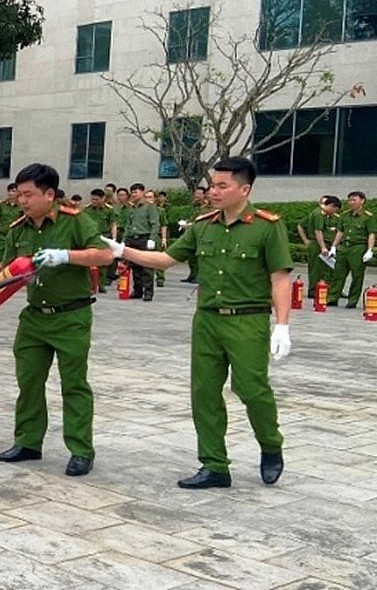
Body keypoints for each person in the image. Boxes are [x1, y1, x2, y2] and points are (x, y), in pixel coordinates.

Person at [101, 156, 292, 489]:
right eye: (212, 185)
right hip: (206, 320)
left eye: (222, 186)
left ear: (244, 189)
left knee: (251, 389)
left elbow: (280, 278)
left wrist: (283, 325)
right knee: (204, 392)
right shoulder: (203, 225)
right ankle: (214, 464)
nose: (213, 192)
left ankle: (271, 444)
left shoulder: (267, 226)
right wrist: (122, 251)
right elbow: (166, 259)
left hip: (247, 321)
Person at [0, 163, 113, 477]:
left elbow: (104, 254)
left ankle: (81, 450)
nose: (23, 201)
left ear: (49, 194)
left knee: (74, 386)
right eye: (19, 195)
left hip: (71, 316)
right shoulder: (18, 228)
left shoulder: (75, 221)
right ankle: (28, 442)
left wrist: (66, 255)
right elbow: (5, 272)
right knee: (28, 382)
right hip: (34, 320)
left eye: (29, 195)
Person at [327, 191, 376, 308]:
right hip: (344, 247)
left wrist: (370, 250)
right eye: (350, 200)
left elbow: (371, 234)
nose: (351, 202)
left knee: (357, 275)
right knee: (338, 273)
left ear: (362, 201)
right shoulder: (345, 215)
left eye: (354, 200)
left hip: (358, 247)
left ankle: (352, 300)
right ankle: (333, 297)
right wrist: (334, 246)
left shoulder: (368, 217)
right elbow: (340, 231)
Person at [123, 183, 161, 300]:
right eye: (133, 192)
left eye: (136, 192)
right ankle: (137, 290)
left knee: (147, 267)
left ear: (142, 192)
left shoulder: (150, 206)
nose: (134, 194)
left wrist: (152, 238)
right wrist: (124, 240)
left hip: (145, 238)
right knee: (135, 266)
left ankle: (148, 292)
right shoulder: (131, 208)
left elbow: (155, 224)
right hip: (133, 239)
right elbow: (128, 225)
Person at [298, 195, 340, 298]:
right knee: (316, 269)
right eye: (335, 210)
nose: (335, 213)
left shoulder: (324, 214)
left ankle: (324, 289)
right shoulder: (318, 214)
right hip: (318, 245)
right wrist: (322, 247)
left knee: (327, 268)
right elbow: (318, 231)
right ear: (331, 206)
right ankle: (314, 291)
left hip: (326, 244)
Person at [83, 188, 117, 292]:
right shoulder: (86, 209)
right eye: (92, 199)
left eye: (96, 199)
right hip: (90, 237)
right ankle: (90, 284)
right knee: (89, 261)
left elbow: (113, 224)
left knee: (103, 262)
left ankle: (100, 284)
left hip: (104, 237)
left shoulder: (109, 210)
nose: (94, 201)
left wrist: (114, 238)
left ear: (103, 199)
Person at [179, 186, 210, 283]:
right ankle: (192, 274)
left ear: (204, 195)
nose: (196, 195)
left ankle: (198, 276)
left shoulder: (208, 207)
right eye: (196, 193)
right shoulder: (196, 206)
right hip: (192, 233)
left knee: (197, 256)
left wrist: (190, 225)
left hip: (201, 234)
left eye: (199, 194)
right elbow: (192, 217)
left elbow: (204, 220)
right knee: (191, 256)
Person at [0, 183, 22, 276]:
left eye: (13, 191)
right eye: (9, 191)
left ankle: (6, 281)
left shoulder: (22, 206)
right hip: (2, 235)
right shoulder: (1, 205)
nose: (11, 193)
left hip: (15, 236)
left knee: (10, 259)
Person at [151, 191, 169, 288]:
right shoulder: (141, 211)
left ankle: (160, 279)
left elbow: (163, 225)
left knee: (159, 259)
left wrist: (164, 238)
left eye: (151, 197)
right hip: (145, 236)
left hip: (156, 236)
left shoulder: (160, 211)